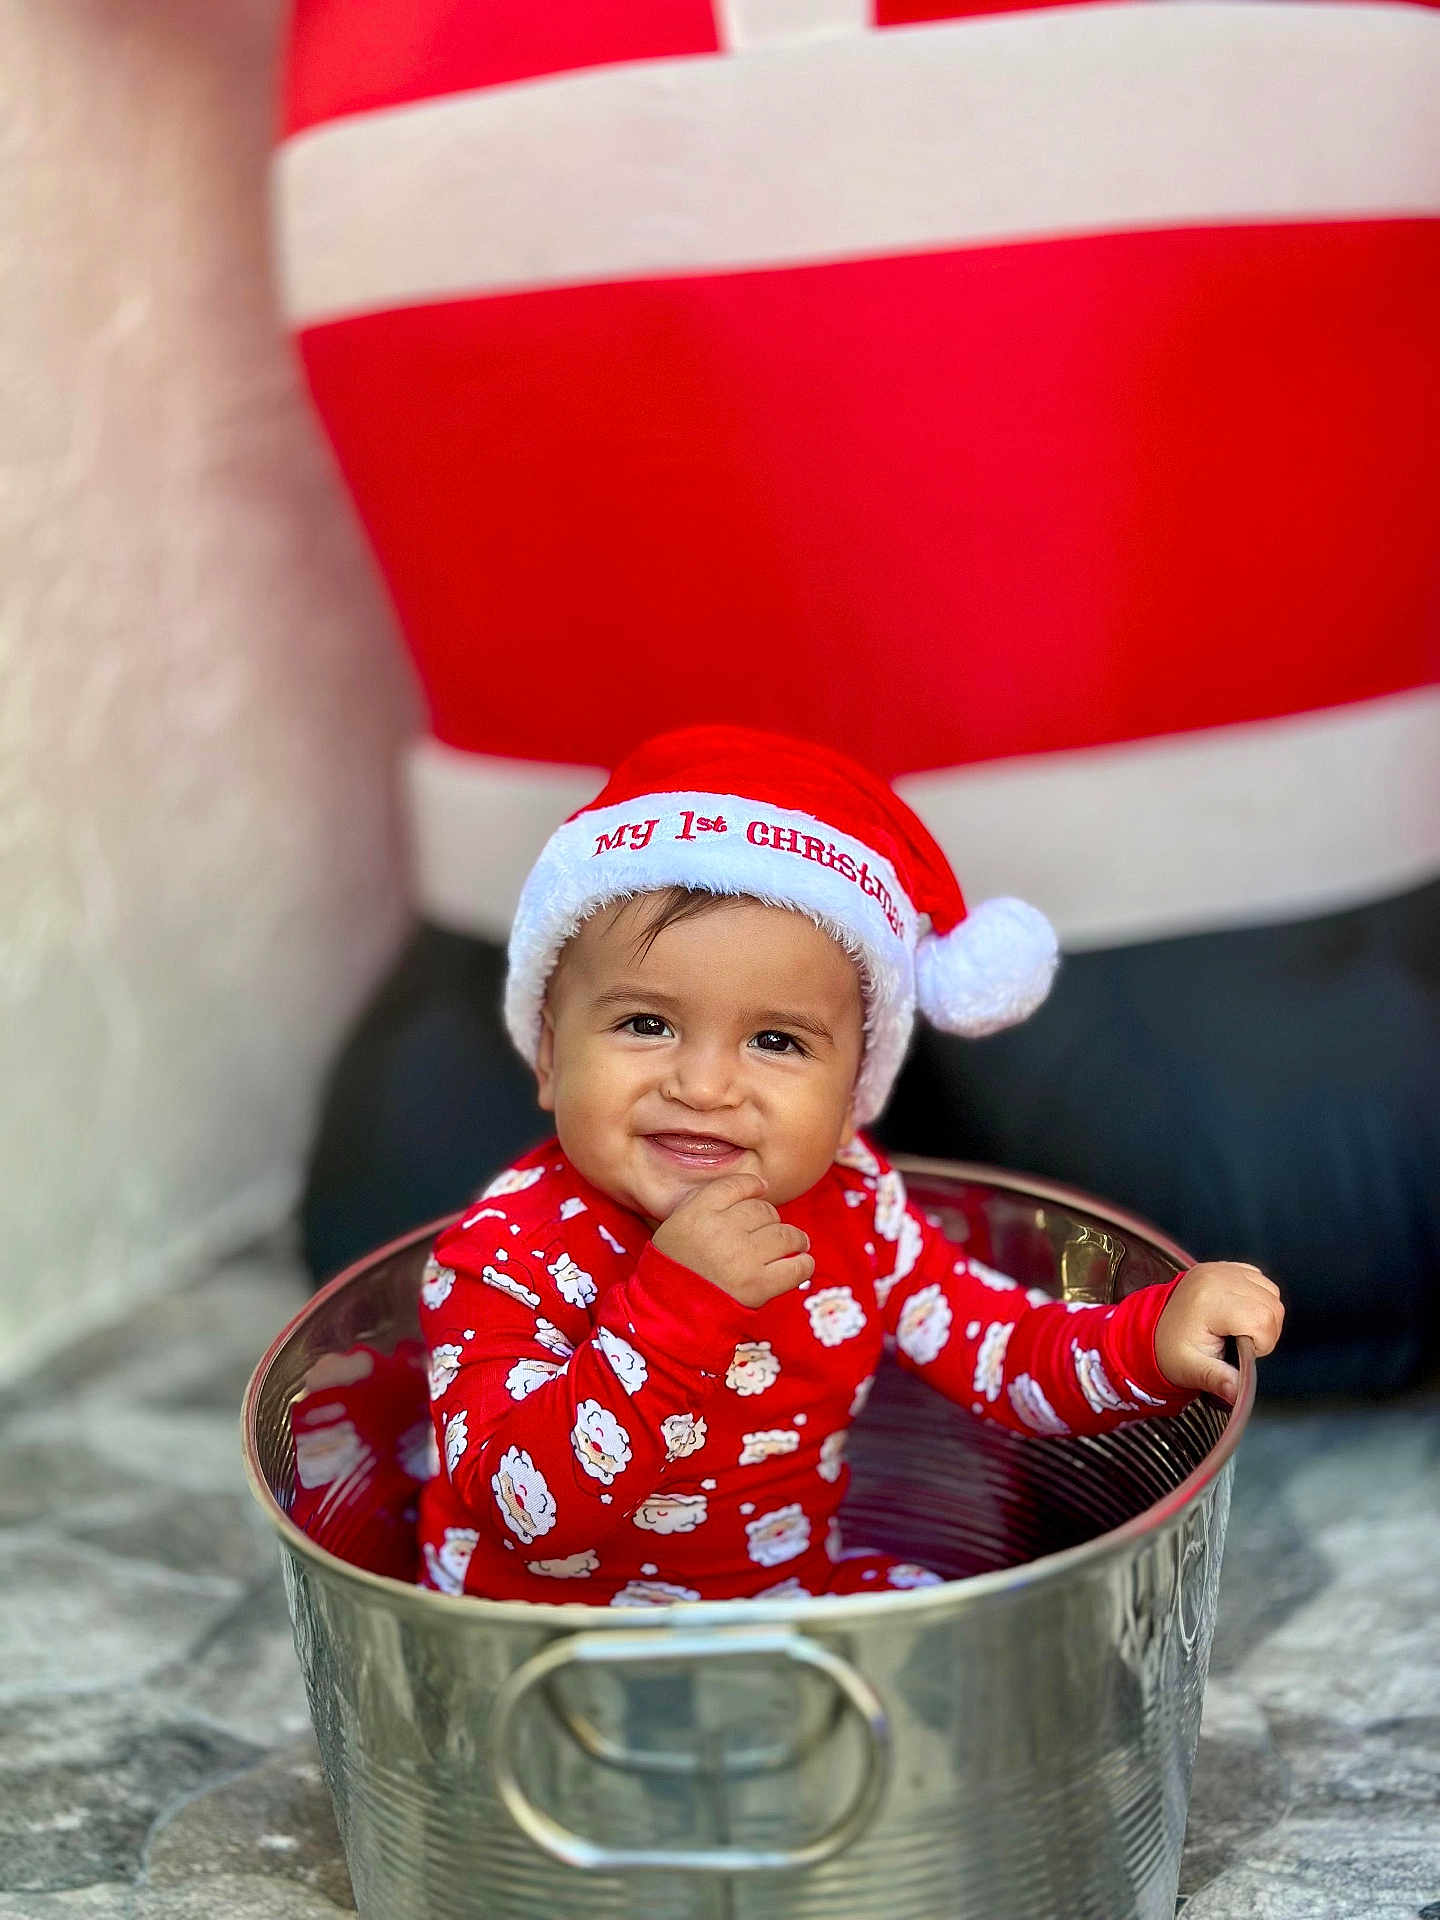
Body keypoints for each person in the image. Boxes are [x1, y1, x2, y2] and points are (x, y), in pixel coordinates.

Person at [414, 727, 1282, 1605]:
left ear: (850, 1101)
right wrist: (674, 1310)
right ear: (550, 1057)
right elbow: (523, 1511)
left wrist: (1150, 1339)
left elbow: (1003, 1353)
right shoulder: (505, 1254)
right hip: (546, 1651)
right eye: (646, 1024)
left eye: (776, 1040)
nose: (705, 1084)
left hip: (783, 1612)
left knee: (955, 1631)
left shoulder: (855, 1208)